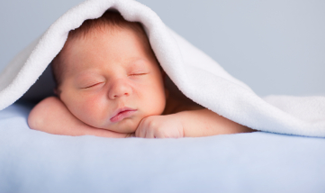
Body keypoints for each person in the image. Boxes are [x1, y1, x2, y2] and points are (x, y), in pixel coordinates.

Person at [28, 11, 253, 138]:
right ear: (61, 95)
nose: (119, 89)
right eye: (92, 83)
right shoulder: (63, 107)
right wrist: (118, 137)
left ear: (164, 77)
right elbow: (41, 116)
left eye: (137, 73)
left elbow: (243, 119)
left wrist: (182, 125)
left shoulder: (179, 107)